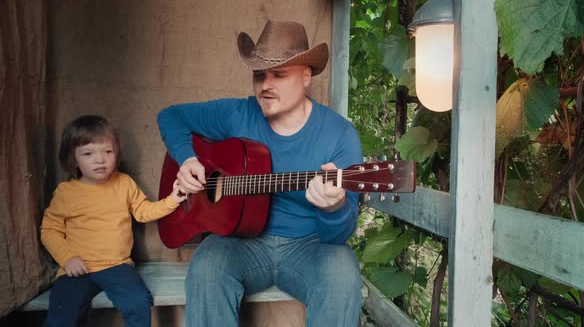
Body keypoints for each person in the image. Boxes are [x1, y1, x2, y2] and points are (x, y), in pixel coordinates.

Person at [157, 20, 363, 326]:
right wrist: (187, 159)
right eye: (259, 75)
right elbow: (170, 116)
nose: (265, 85)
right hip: (240, 241)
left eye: (279, 74)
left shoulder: (340, 135)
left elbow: (338, 235)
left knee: (343, 269)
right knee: (206, 266)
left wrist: (334, 208)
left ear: (306, 76)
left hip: (309, 245)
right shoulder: (237, 113)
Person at [40, 115, 185, 327]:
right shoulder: (66, 192)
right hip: (77, 268)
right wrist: (67, 258)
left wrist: (173, 199)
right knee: (62, 313)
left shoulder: (124, 183)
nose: (100, 160)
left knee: (138, 302)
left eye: (107, 152)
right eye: (88, 153)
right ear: (74, 159)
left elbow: (143, 212)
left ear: (116, 153)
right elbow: (49, 230)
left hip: (118, 266)